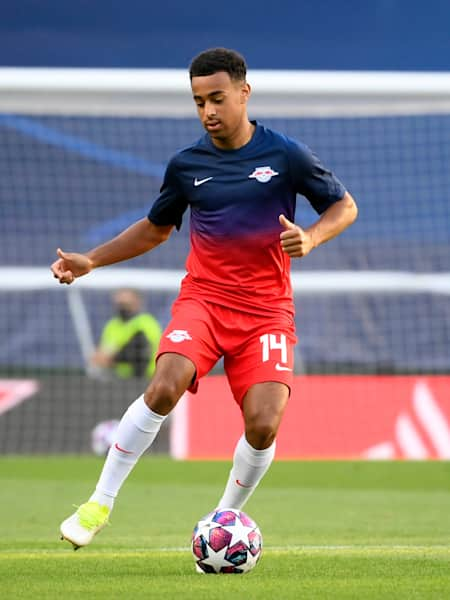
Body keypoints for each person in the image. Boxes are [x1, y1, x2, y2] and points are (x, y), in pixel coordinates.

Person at [52, 47, 358, 549]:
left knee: (263, 424)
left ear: (244, 92)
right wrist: (93, 260)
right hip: (205, 301)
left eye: (217, 98)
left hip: (266, 313)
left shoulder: (286, 156)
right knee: (164, 386)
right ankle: (98, 504)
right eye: (198, 102)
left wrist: (313, 237)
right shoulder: (187, 165)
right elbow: (155, 230)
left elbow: (344, 207)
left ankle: (221, 523)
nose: (208, 111)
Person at [90, 288, 162, 379]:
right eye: (120, 304)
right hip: (121, 380)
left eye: (126, 304)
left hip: (145, 378)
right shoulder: (112, 324)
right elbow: (100, 355)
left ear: (137, 303)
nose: (123, 308)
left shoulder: (146, 322)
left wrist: (112, 357)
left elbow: (140, 352)